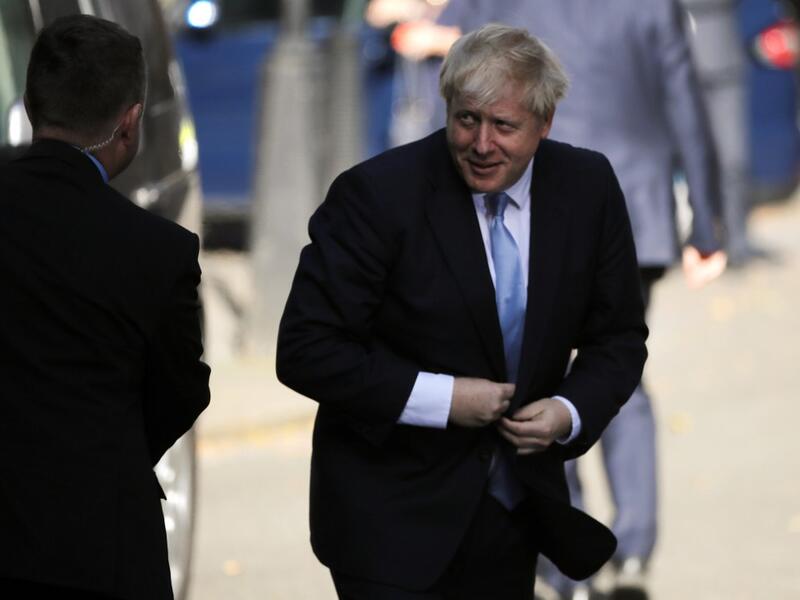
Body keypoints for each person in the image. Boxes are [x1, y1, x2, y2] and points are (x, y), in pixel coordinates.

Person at [277, 24, 648, 600]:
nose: (481, 144)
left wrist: (569, 412)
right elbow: (306, 348)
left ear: (544, 124)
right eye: (466, 119)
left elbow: (619, 337)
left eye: (504, 126)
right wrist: (444, 399)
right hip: (388, 520)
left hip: (513, 512)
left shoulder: (586, 186)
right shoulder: (376, 196)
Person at [393, 2, 727, 598]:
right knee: (616, 372)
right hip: (637, 204)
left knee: (536, 370)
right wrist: (706, 221)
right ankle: (632, 545)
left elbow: (464, 48)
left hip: (536, 199)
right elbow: (685, 97)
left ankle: (559, 545)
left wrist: (423, 33)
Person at [0, 15, 210, 600]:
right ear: (131, 122)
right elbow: (182, 391)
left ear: (29, 102)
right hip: (98, 544)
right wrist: (103, 451)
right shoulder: (158, 251)